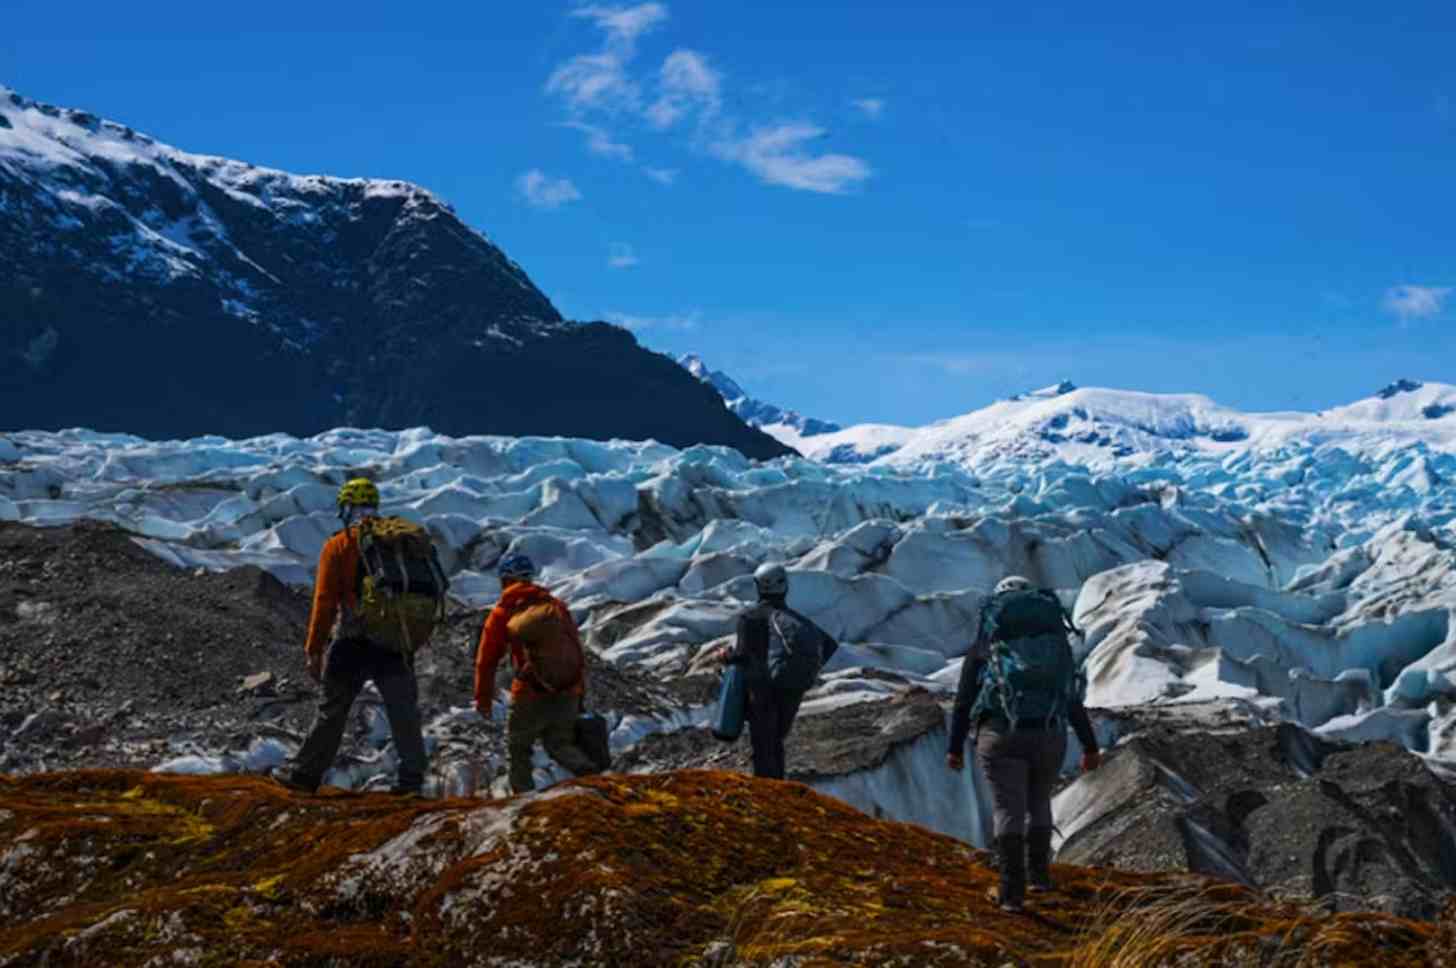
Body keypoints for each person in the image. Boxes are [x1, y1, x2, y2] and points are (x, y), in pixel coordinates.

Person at [946, 575, 1102, 912]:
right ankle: (1040, 878)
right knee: (1039, 802)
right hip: (1049, 734)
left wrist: (955, 747)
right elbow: (1071, 699)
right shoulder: (1055, 646)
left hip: (999, 735)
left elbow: (963, 702)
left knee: (1007, 809)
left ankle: (1011, 894)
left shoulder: (985, 646)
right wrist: (1090, 746)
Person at [277, 478, 432, 796]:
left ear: (346, 507)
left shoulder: (340, 544)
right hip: (394, 640)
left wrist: (314, 649)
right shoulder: (401, 540)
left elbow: (325, 601)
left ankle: (305, 777)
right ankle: (412, 781)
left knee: (333, 710)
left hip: (352, 641)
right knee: (402, 710)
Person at [474, 553, 599, 794]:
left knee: (519, 747)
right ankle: (590, 776)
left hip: (529, 691)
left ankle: (523, 800)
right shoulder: (555, 606)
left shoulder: (503, 611)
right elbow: (575, 649)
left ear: (505, 580)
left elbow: (486, 660)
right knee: (559, 744)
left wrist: (483, 698)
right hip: (567, 688)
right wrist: (577, 690)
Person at [715, 563, 838, 780]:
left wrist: (726, 656)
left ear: (759, 587)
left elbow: (743, 655)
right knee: (776, 743)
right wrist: (802, 673)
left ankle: (767, 796)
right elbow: (828, 646)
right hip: (791, 691)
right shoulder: (797, 620)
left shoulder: (750, 617)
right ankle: (780, 788)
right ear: (785, 587)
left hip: (761, 691)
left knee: (763, 745)